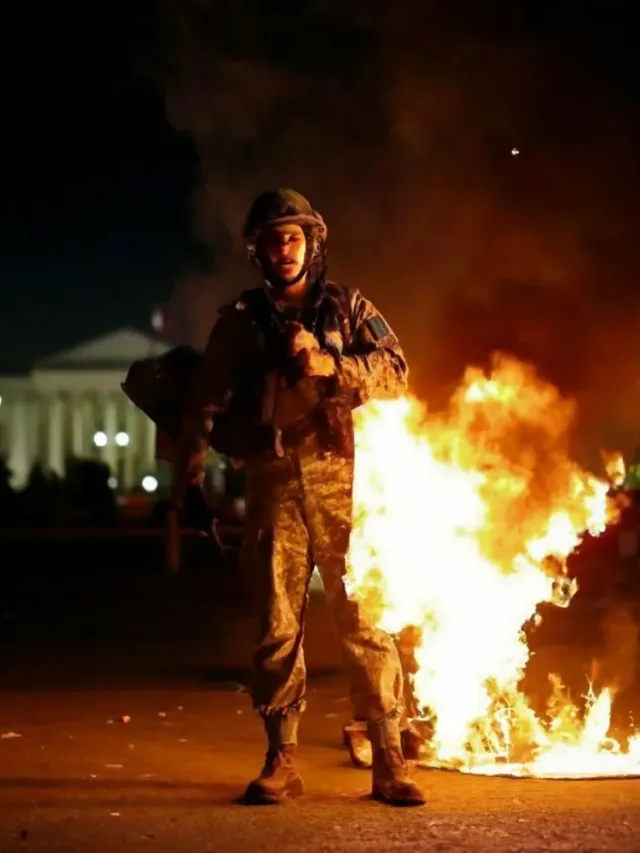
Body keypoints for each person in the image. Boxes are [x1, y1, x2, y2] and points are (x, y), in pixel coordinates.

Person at [173, 188, 426, 806]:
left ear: (313, 243)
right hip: (271, 487)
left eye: (293, 236)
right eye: (271, 238)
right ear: (256, 251)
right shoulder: (237, 323)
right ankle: (281, 758)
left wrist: (329, 366)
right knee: (276, 625)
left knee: (365, 620)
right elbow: (203, 404)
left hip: (344, 487)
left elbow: (396, 372)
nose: (284, 248)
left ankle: (388, 759)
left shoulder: (348, 308)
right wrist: (191, 482)